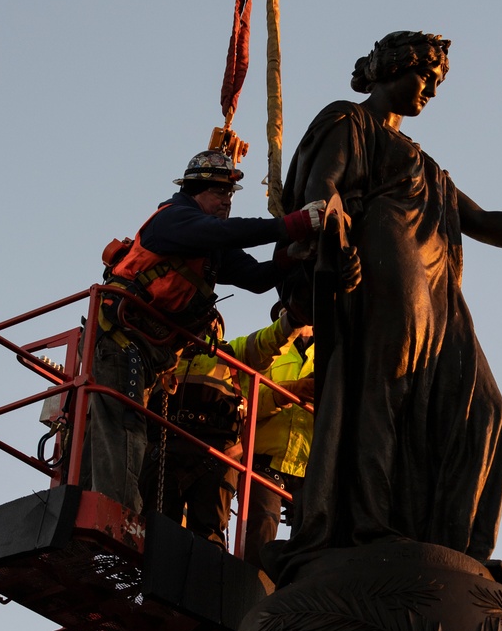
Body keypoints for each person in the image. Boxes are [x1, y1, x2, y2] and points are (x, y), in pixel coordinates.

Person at [266, 31, 502, 585]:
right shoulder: (347, 122)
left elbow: (481, 222)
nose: (431, 89)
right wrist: (337, 246)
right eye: (425, 75)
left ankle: (458, 549)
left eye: (438, 82)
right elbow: (322, 193)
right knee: (383, 396)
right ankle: (369, 526)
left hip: (439, 292)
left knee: (486, 411)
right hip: (386, 274)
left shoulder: (428, 165)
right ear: (390, 69)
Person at [80, 149, 323, 514]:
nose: (226, 202)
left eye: (230, 196)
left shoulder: (209, 248)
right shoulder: (175, 220)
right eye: (220, 194)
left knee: (126, 424)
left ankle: (112, 506)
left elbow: (256, 279)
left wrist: (290, 256)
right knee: (123, 424)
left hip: (149, 350)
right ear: (196, 191)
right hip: (120, 338)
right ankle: (117, 515)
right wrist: (291, 225)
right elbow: (224, 231)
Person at [138, 308, 304, 547]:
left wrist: (295, 317)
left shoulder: (232, 354)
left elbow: (268, 341)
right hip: (165, 449)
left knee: (204, 536)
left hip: (214, 455)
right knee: (156, 529)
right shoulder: (163, 355)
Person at [240, 309, 315, 568]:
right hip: (265, 458)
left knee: (312, 539)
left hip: (310, 465)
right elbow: (248, 404)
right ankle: (251, 590)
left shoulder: (334, 356)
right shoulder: (268, 355)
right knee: (262, 523)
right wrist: (285, 394)